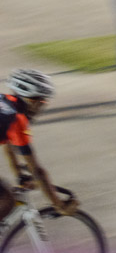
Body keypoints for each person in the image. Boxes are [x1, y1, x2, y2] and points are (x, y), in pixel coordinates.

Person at [0, 70, 78, 220]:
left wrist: (20, 175)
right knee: (7, 200)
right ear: (33, 101)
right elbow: (37, 171)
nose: (42, 108)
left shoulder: (5, 102)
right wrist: (59, 205)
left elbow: (9, 146)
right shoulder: (17, 119)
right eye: (43, 102)